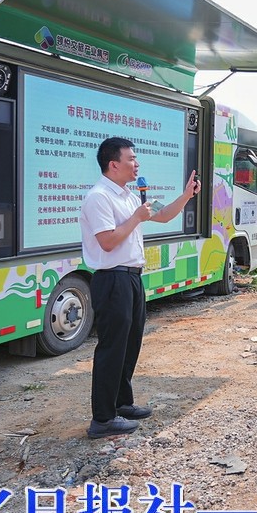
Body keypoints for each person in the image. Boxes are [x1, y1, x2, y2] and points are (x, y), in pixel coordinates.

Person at [81, 137, 201, 439]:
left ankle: (122, 403)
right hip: (112, 279)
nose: (137, 164)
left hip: (132, 278)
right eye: (132, 159)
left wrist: (186, 196)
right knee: (111, 348)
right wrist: (136, 218)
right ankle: (102, 420)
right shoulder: (99, 197)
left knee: (130, 344)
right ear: (113, 164)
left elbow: (161, 215)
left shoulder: (129, 195)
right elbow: (107, 241)